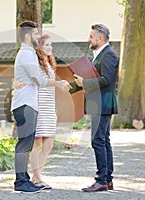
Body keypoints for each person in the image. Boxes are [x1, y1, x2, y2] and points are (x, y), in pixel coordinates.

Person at [11, 20, 71, 194]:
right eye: (36, 34)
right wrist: (58, 84)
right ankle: (21, 181)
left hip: (29, 103)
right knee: (24, 144)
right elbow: (39, 80)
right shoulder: (27, 54)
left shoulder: (28, 53)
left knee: (27, 143)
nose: (38, 36)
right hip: (25, 104)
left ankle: (24, 179)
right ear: (29, 36)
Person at [71, 24, 119, 192]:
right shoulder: (99, 55)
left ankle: (101, 181)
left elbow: (106, 80)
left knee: (98, 141)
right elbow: (90, 78)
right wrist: (68, 86)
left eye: (91, 36)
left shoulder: (108, 55)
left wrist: (84, 82)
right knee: (103, 140)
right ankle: (107, 180)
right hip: (99, 103)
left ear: (100, 38)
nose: (88, 39)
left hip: (103, 103)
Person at [30, 34, 57, 189]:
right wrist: (58, 83)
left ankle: (36, 175)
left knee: (49, 143)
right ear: (39, 47)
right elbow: (40, 83)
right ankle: (38, 178)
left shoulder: (49, 63)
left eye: (50, 45)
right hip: (39, 106)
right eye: (46, 45)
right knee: (37, 142)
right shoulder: (36, 63)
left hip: (49, 107)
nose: (50, 48)